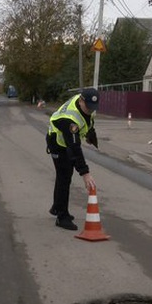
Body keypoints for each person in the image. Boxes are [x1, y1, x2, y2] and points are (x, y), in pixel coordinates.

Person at [46, 88, 100, 230]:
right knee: (64, 177)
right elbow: (74, 148)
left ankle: (57, 208)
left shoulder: (84, 102)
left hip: (66, 142)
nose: (90, 110)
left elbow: (89, 119)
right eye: (87, 107)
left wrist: (90, 134)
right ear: (81, 100)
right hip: (57, 142)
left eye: (92, 107)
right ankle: (62, 217)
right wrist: (85, 173)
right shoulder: (70, 120)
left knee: (64, 176)